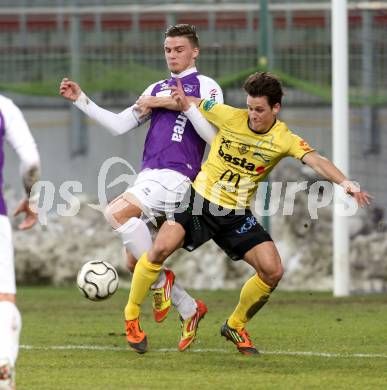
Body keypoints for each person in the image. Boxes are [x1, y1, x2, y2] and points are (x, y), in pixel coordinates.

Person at [124, 72, 372, 355]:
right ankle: (131, 316)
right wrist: (161, 100)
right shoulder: (229, 116)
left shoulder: (283, 138)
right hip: (199, 202)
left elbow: (316, 160)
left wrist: (346, 183)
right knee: (158, 251)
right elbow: (190, 101)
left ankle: (235, 324)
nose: (252, 115)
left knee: (272, 271)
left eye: (259, 110)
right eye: (250, 107)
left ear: (276, 108)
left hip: (236, 215)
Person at [59, 24, 223, 353]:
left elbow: (214, 137)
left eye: (179, 49)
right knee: (137, 264)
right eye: (167, 49)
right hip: (149, 175)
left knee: (116, 212)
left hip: (179, 175)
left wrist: (180, 104)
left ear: (195, 52)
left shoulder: (206, 86)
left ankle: (159, 288)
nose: (172, 55)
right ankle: (189, 308)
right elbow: (120, 125)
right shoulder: (155, 87)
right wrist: (82, 101)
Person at [0, 95, 40, 389]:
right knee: (4, 300)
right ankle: (3, 363)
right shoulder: (4, 106)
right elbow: (30, 162)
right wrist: (31, 195)